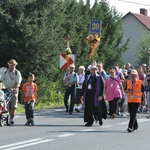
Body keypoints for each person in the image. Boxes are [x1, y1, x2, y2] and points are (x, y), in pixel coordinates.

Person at [0, 59, 22, 125]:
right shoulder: (5, 72)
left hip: (14, 90)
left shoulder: (17, 73)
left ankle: (12, 117)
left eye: (12, 65)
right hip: (6, 89)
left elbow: (18, 83)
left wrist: (13, 88)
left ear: (15, 65)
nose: (11, 66)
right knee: (6, 103)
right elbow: (1, 80)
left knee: (13, 105)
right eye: (10, 65)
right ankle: (8, 116)